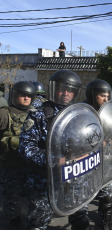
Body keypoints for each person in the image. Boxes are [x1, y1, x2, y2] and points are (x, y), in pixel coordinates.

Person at [18, 70, 90, 230]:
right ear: (53, 88)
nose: (65, 93)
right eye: (62, 89)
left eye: (70, 90)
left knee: (81, 220)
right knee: (38, 222)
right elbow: (26, 148)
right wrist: (54, 161)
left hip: (74, 178)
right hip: (45, 181)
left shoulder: (80, 114)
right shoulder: (39, 115)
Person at [0, 81, 36, 229]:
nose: (26, 98)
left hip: (31, 166)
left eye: (29, 96)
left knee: (34, 197)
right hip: (11, 165)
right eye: (23, 95)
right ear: (15, 96)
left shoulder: (35, 114)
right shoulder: (4, 113)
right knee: (11, 197)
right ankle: (13, 219)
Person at [85, 79, 112, 230]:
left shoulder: (108, 113)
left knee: (109, 193)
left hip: (103, 163)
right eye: (102, 96)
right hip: (84, 163)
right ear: (92, 95)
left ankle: (106, 224)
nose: (106, 99)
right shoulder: (83, 111)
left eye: (107, 96)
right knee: (81, 204)